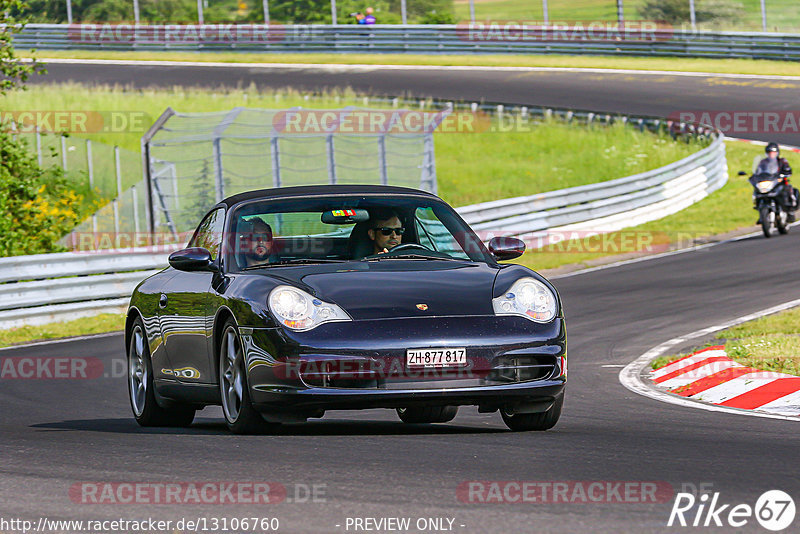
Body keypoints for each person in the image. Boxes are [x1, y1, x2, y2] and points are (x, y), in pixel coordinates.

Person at [758, 142, 797, 210]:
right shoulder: (763, 162)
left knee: (787, 189)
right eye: (770, 152)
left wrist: (785, 173)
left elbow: (787, 169)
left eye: (773, 152)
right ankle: (760, 207)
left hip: (779, 182)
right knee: (758, 190)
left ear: (777, 152)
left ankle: (790, 204)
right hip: (769, 181)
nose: (772, 154)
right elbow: (758, 171)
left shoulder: (782, 161)